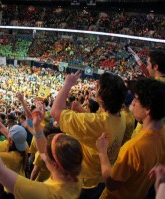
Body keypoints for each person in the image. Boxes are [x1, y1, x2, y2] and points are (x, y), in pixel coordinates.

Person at [0, 100, 83, 199]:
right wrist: (37, 126)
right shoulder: (75, 173)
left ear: (54, 164)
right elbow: (44, 151)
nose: (43, 152)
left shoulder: (43, 193)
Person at [51, 71, 127, 199]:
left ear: (102, 98)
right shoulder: (122, 117)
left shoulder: (97, 123)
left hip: (87, 183)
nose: (95, 87)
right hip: (100, 178)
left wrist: (68, 83)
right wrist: (81, 110)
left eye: (98, 87)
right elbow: (99, 122)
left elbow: (55, 112)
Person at [96, 78, 165, 199]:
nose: (132, 103)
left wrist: (102, 153)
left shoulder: (133, 148)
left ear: (148, 108)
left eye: (136, 99)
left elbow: (111, 184)